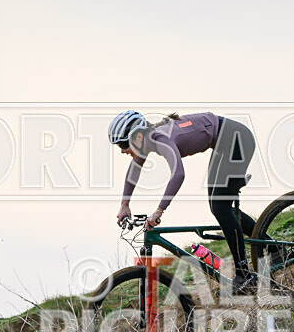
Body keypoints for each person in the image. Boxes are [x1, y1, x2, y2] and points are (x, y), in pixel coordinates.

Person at [109, 110, 260, 295]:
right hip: (226, 141)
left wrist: (159, 211)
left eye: (123, 144)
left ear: (137, 136)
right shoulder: (145, 142)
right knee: (220, 207)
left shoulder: (159, 138)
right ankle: (273, 248)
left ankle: (245, 276)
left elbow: (178, 174)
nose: (123, 150)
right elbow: (134, 169)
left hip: (236, 139)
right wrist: (125, 204)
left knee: (220, 207)